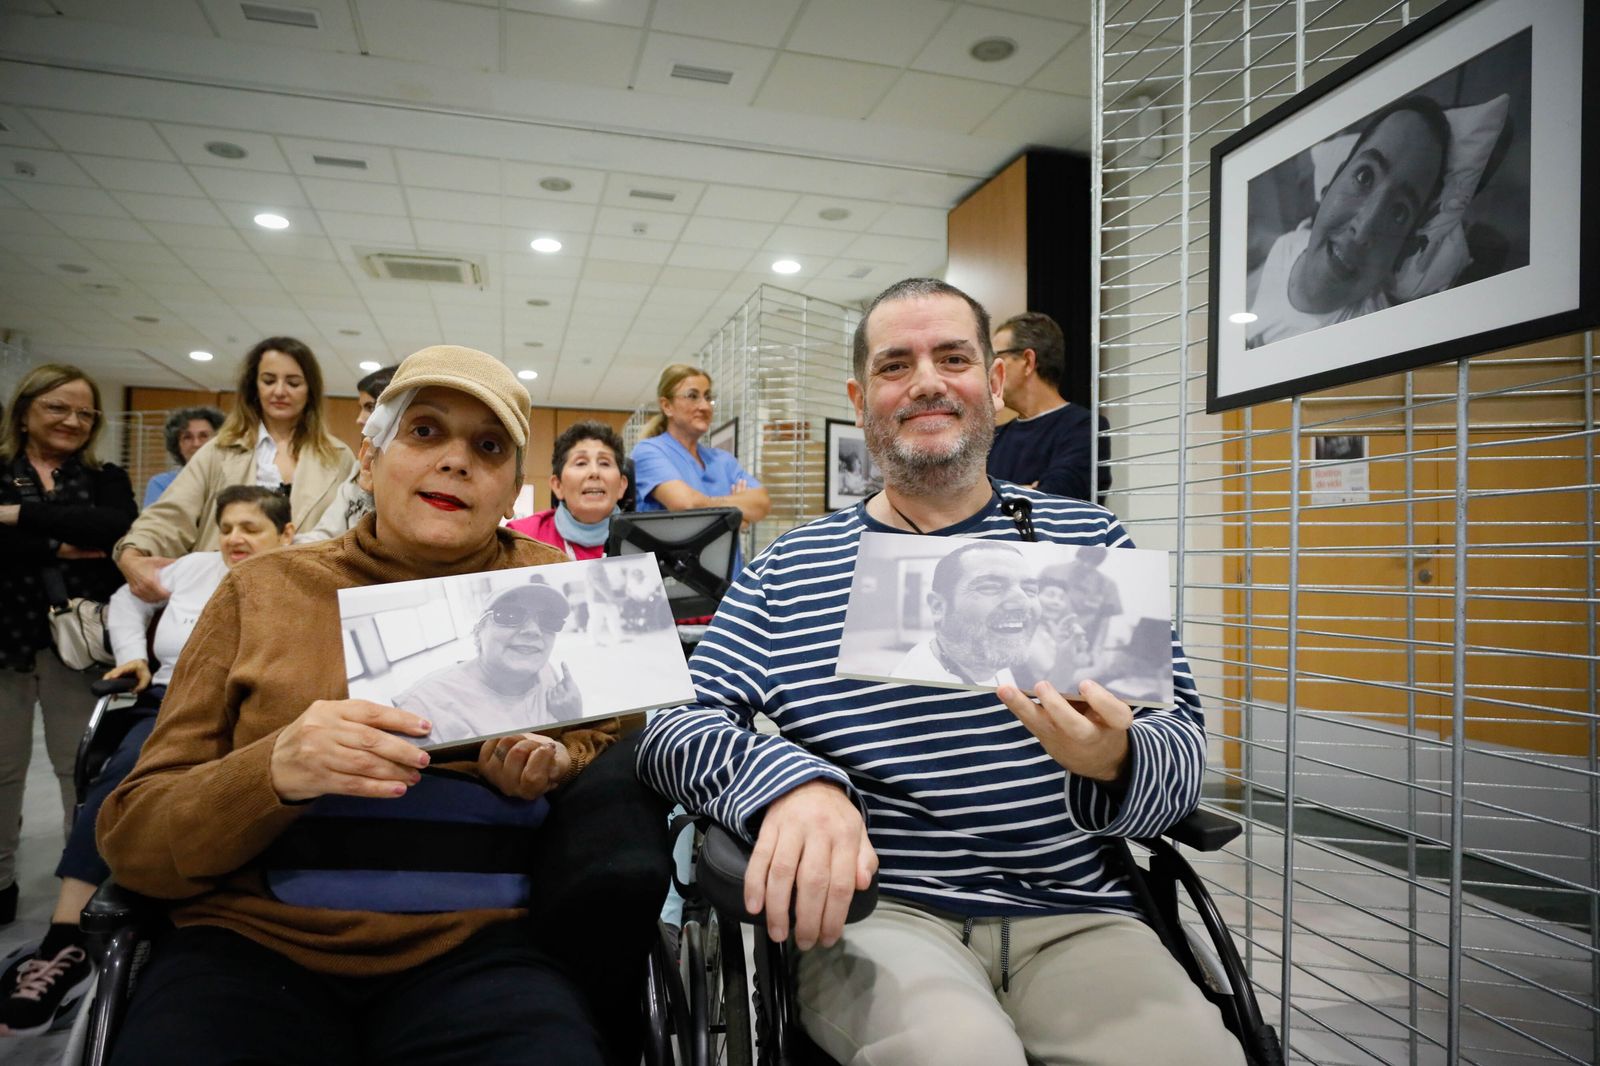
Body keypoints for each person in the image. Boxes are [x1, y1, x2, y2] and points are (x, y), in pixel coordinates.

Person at [638, 278, 1242, 1066]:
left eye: (952, 357)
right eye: (896, 365)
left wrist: (1118, 760)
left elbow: (1184, 752)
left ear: (994, 384)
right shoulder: (792, 566)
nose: (926, 379)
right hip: (882, 912)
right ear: (862, 400)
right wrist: (792, 783)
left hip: (1078, 909)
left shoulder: (1084, 542)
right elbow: (674, 725)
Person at [97, 346, 633, 1066]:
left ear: (512, 491)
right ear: (368, 460)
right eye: (424, 432)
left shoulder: (559, 591)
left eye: (489, 446)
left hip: (478, 950)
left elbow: (615, 746)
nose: (455, 461)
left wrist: (556, 762)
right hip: (252, 945)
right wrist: (272, 771)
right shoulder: (261, 592)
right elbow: (136, 843)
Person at [0, 485, 294, 1038]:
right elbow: (126, 600)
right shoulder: (193, 569)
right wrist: (133, 656)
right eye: (227, 526)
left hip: (257, 712)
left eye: (250, 528)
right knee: (123, 777)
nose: (234, 538)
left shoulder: (299, 577)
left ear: (286, 535)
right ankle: (65, 941)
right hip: (172, 702)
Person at [0, 365, 137, 929]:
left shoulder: (105, 475)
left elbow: (114, 528)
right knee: (2, 768)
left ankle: (75, 886)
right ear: (26, 408)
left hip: (77, 647)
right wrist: (64, 539)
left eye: (85, 412)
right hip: (6, 638)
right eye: (58, 407)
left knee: (76, 767)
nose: (73, 421)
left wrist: (20, 519)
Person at [113, 336, 355, 602]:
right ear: (254, 387)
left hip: (300, 599)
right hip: (219, 596)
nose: (280, 391)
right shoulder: (218, 451)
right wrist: (132, 554)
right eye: (269, 380)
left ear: (310, 389)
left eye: (293, 382)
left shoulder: (338, 457)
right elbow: (171, 516)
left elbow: (349, 532)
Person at [1246, 96, 1451, 348]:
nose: (1363, 229)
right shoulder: (1289, 245)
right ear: (1331, 184)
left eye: (1399, 213)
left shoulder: (1369, 343)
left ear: (1402, 251)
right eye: (1364, 177)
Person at [391, 583, 585, 741]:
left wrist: (573, 718)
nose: (533, 630)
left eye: (548, 620)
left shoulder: (545, 671)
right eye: (510, 615)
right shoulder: (424, 707)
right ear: (478, 632)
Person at [630, 364, 770, 537]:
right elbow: (686, 505)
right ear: (667, 406)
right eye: (692, 396)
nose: (705, 406)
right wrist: (736, 516)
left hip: (729, 565)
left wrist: (706, 505)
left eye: (708, 397)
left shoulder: (723, 460)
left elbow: (762, 503)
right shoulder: (649, 452)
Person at [987, 311, 1111, 503]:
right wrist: (1025, 491)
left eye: (997, 357)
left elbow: (1055, 501)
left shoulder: (1085, 427)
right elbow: (968, 504)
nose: (991, 370)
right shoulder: (994, 436)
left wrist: (996, 496)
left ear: (1028, 361)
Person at [889, 541, 1040, 687]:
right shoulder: (912, 684)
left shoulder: (990, 661)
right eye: (990, 587)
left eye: (1030, 590)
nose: (1023, 603)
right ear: (938, 607)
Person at [298, 363, 397, 543]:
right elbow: (327, 533)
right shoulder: (359, 468)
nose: (359, 419)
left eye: (369, 407)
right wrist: (282, 544)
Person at [506, 420, 629, 560]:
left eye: (604, 463)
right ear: (558, 485)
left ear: (621, 485)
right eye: (581, 463)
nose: (594, 472)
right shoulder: (520, 538)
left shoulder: (646, 540)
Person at [142, 406, 223, 508]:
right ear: (177, 446)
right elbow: (154, 522)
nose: (196, 443)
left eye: (204, 436)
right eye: (187, 437)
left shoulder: (233, 480)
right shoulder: (162, 484)